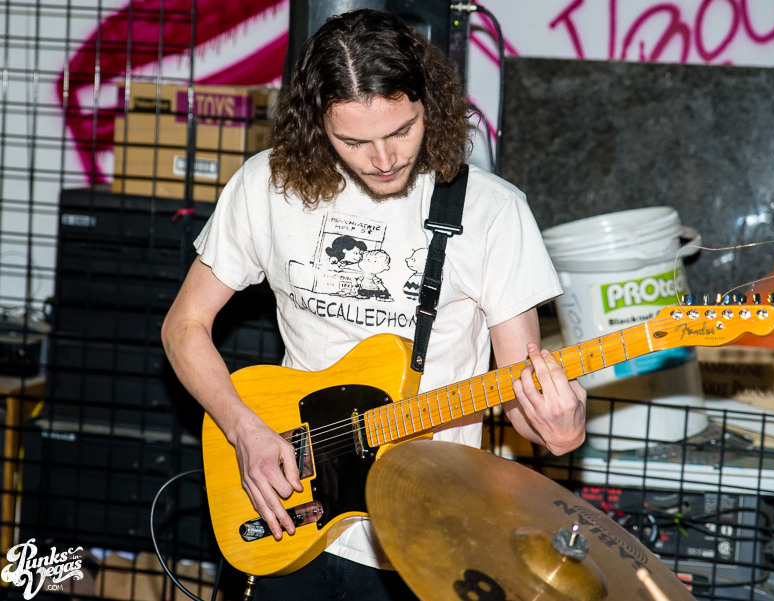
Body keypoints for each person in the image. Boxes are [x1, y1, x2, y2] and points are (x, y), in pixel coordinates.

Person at [161, 9, 587, 600]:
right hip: (289, 509)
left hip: (423, 533)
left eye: (402, 131)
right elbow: (184, 326)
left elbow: (522, 393)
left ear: (430, 106)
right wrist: (244, 429)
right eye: (354, 141)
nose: (384, 159)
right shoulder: (266, 185)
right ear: (316, 125)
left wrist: (560, 428)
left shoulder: (492, 212)